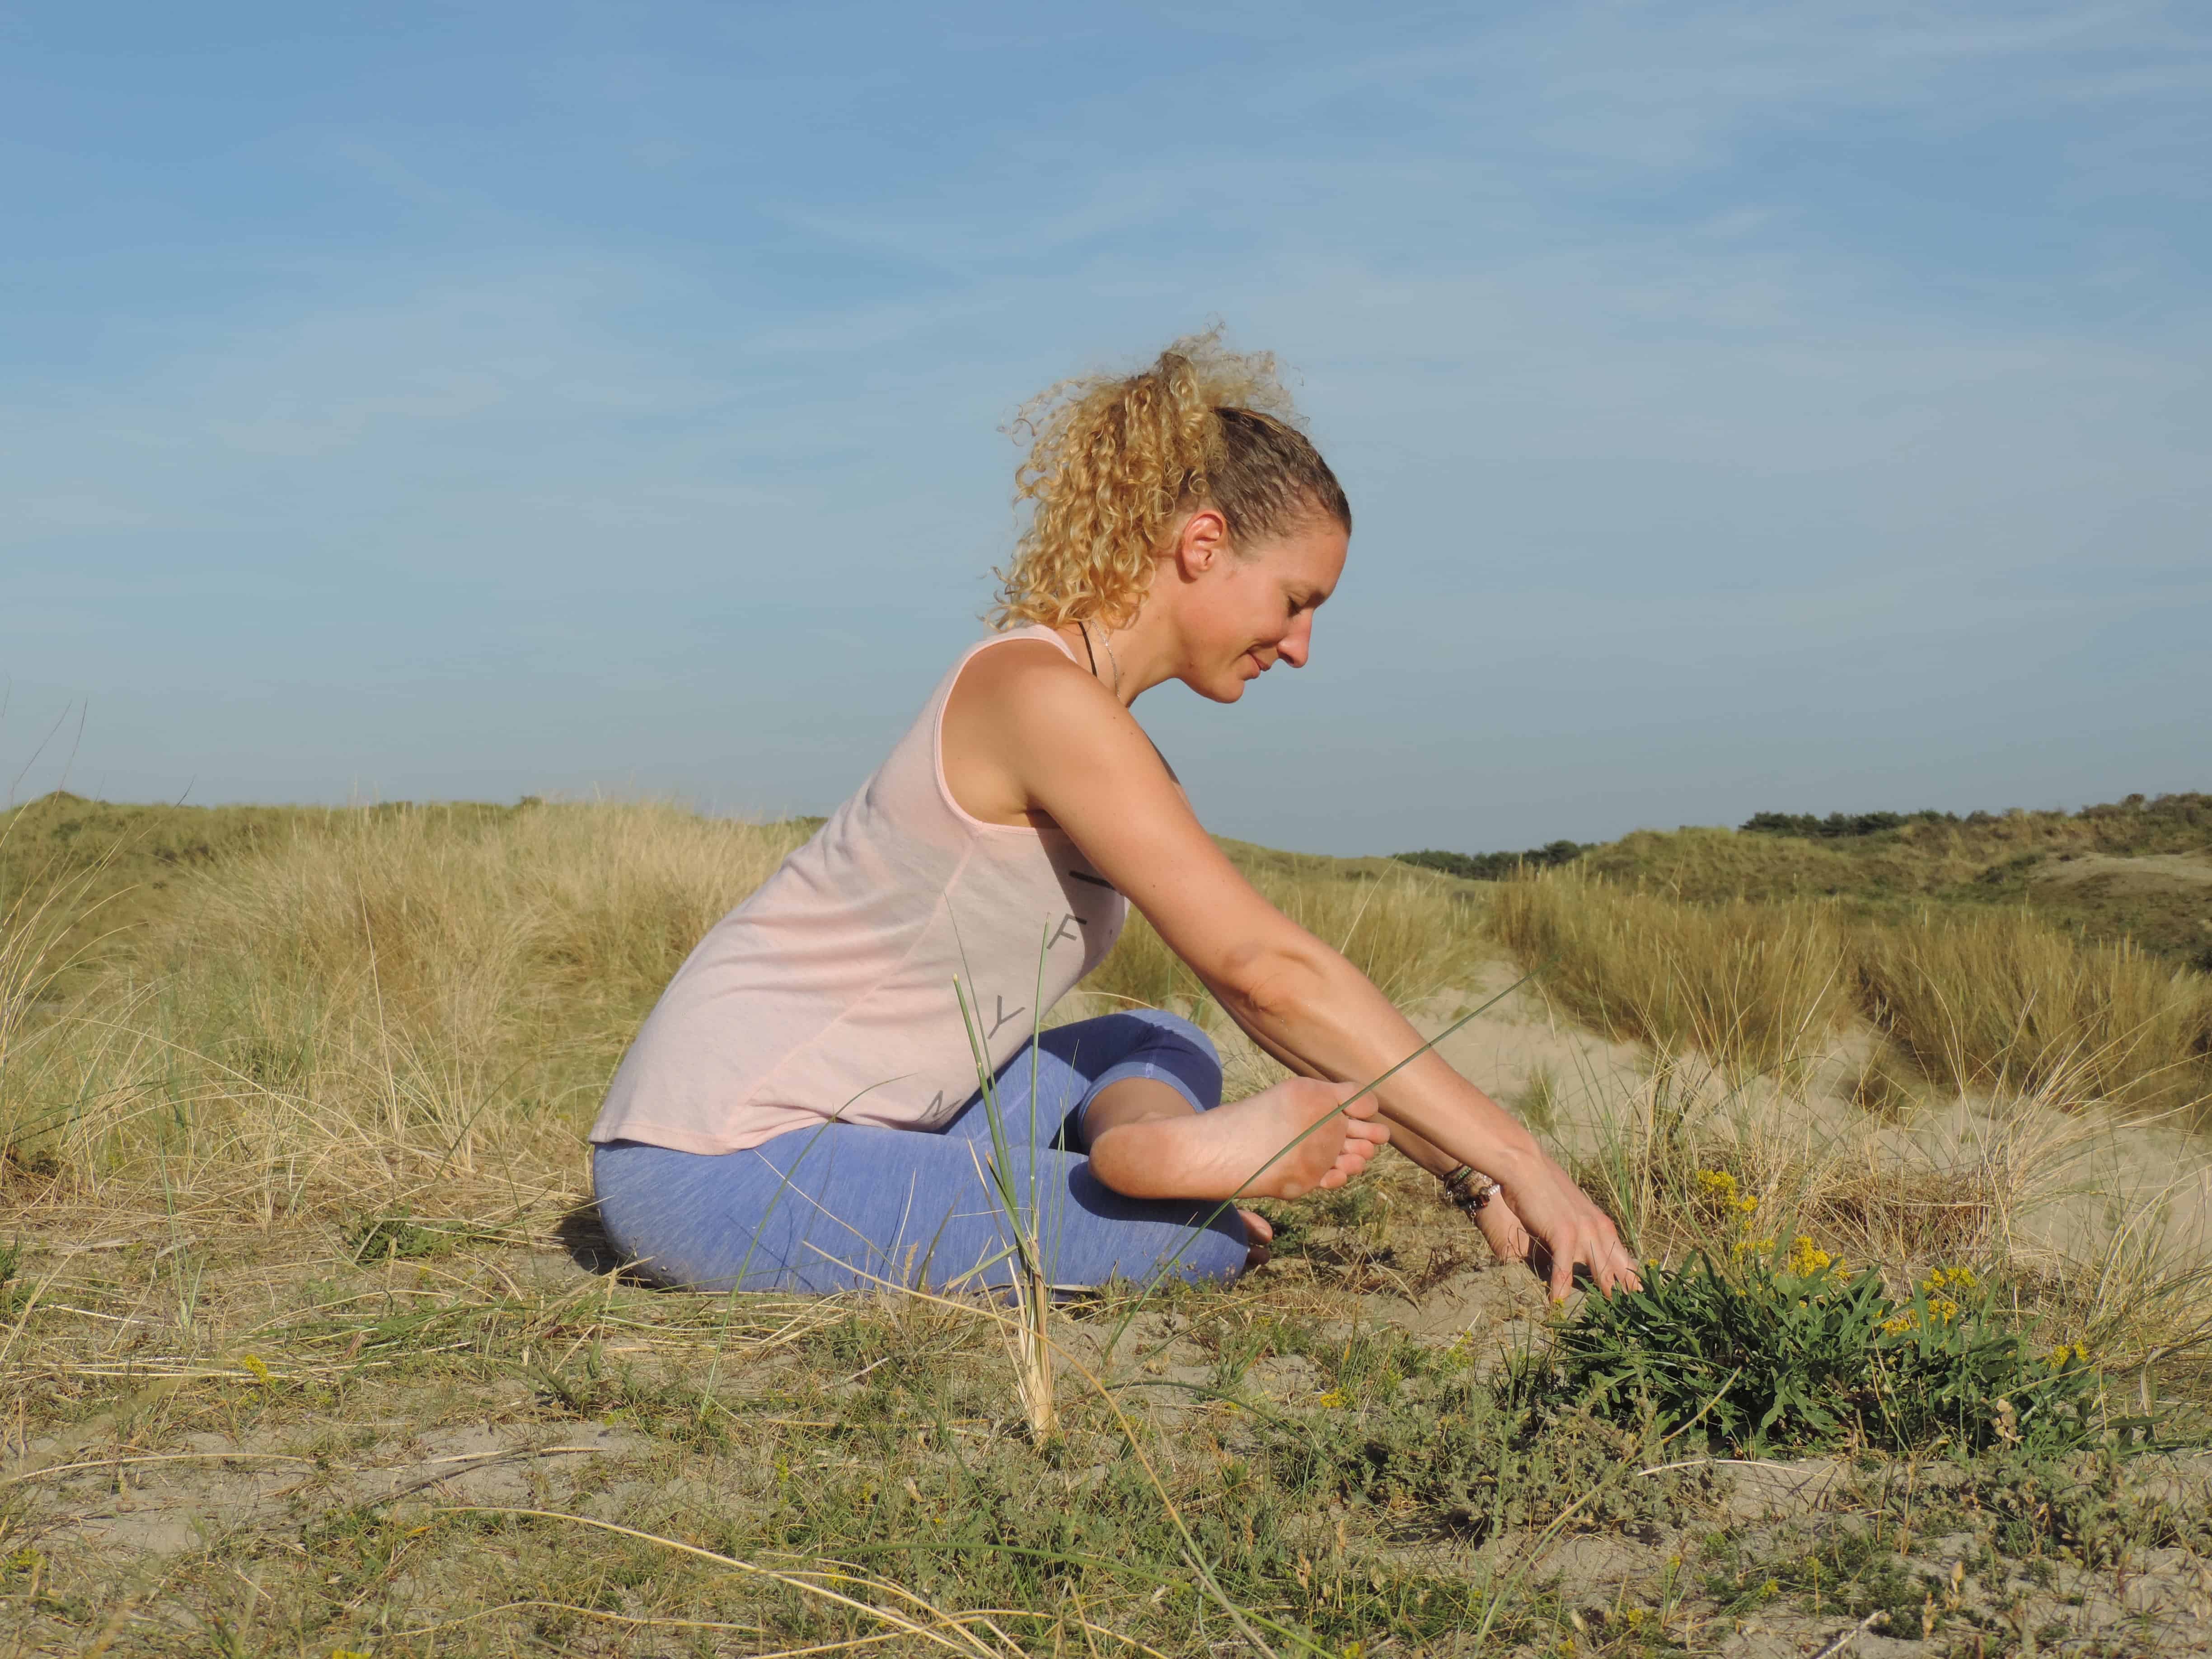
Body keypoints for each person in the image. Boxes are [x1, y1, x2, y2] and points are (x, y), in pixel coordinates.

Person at [589, 333, 1640, 1301]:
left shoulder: (1093, 723)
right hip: (719, 1162)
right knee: (1198, 1241)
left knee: (1156, 1037)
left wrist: (1467, 1177)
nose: (1304, 645)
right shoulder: (1041, 699)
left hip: (871, 1114)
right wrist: (1525, 1162)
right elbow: (1266, 973)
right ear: (1202, 544)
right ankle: (1153, 1176)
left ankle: (1146, 1149)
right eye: (1296, 600)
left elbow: (1268, 1004)